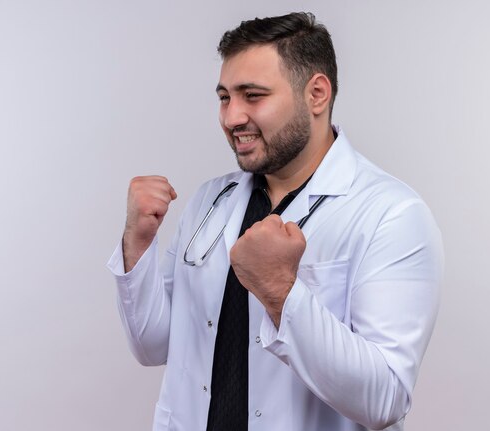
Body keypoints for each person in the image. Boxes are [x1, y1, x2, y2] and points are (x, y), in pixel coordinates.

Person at [107, 11, 443, 431]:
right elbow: (154, 345)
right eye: (225, 97)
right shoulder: (212, 200)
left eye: (253, 95)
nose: (231, 118)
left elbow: (385, 399)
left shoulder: (391, 215)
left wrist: (281, 292)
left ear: (316, 94)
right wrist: (137, 243)